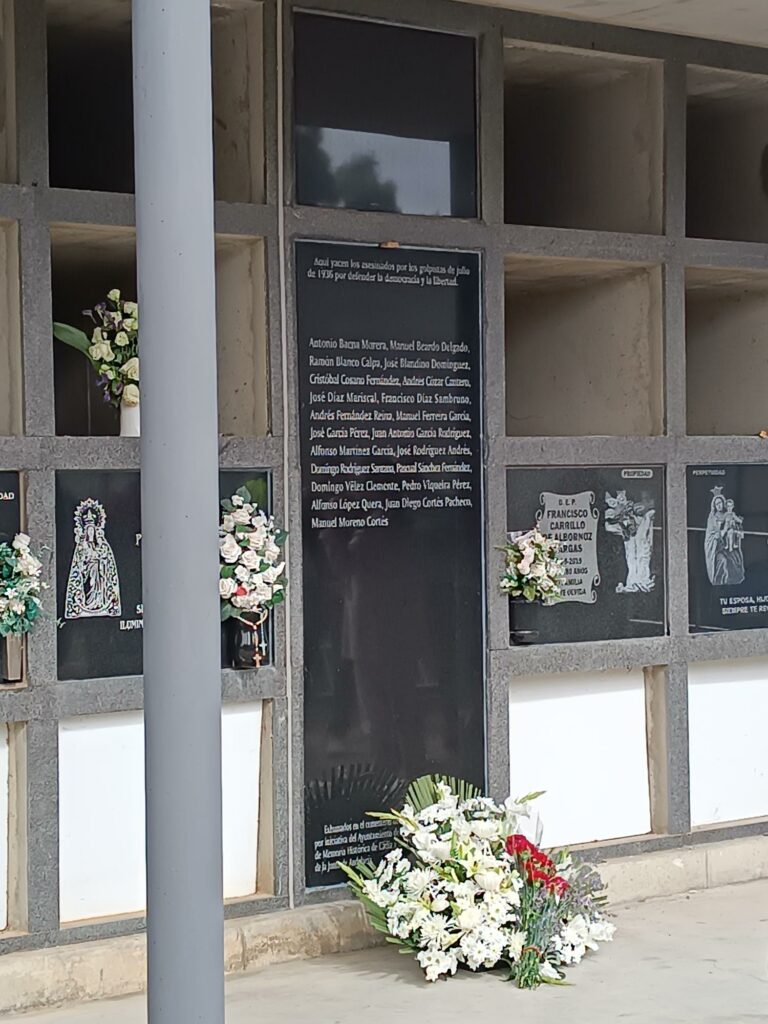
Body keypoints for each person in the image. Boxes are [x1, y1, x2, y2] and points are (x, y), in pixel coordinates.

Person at [704, 489, 745, 586]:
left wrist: (736, 529)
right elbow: (713, 536)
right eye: (717, 503)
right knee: (723, 562)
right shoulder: (712, 518)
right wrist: (725, 529)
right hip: (717, 549)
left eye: (720, 503)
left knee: (735, 560)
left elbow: (737, 525)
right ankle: (722, 585)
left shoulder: (728, 514)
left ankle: (735, 584)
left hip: (729, 546)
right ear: (714, 505)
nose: (719, 505)